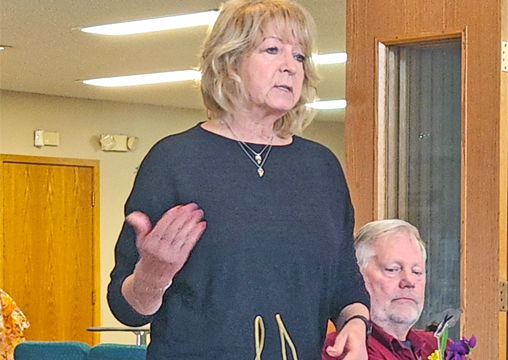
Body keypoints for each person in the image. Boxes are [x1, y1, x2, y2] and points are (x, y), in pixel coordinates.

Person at [107, 1, 369, 359]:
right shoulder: (174, 160)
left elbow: (344, 281)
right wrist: (152, 275)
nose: (290, 66)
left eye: (300, 56)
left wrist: (355, 322)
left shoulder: (321, 167)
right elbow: (126, 309)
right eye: (273, 50)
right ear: (229, 61)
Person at [322, 219, 439, 360]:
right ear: (357, 278)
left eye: (417, 272)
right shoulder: (343, 351)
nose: (409, 281)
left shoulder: (437, 347)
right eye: (392, 269)